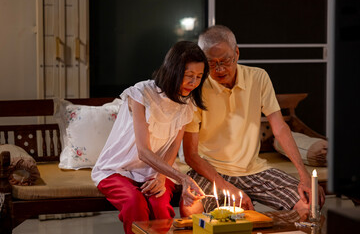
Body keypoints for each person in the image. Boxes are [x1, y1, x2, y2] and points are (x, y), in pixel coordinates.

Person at [180, 25, 326, 217]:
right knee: (196, 211)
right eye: (211, 63)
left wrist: (304, 174)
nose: (220, 69)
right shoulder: (196, 86)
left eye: (225, 60)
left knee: (309, 204)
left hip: (253, 169)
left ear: (237, 53)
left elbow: (280, 128)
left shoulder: (258, 77)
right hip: (210, 171)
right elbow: (190, 155)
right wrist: (227, 187)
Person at [91, 41, 208, 234]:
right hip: (118, 169)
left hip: (159, 170)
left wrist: (162, 176)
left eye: (198, 77)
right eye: (189, 76)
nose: (194, 83)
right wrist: (181, 178)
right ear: (173, 70)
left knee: (161, 207)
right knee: (135, 204)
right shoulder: (141, 94)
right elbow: (143, 152)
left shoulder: (187, 103)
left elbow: (172, 147)